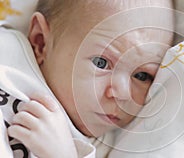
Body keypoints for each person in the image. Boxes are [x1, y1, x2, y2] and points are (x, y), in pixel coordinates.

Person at [0, 0, 174, 157]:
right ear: (41, 42)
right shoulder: (9, 48)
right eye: (101, 62)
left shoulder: (99, 149)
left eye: (141, 76)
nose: (122, 94)